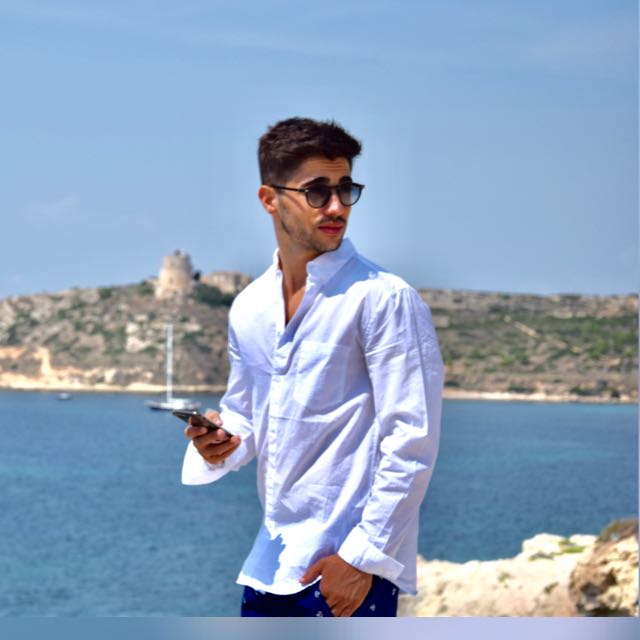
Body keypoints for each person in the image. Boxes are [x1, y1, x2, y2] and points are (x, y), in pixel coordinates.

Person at [182, 117, 444, 617]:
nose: (337, 206)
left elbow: (412, 441)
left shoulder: (385, 299)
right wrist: (218, 444)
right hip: (269, 567)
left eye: (346, 189)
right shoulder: (249, 307)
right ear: (269, 199)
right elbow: (247, 417)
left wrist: (360, 560)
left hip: (346, 574)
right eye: (318, 191)